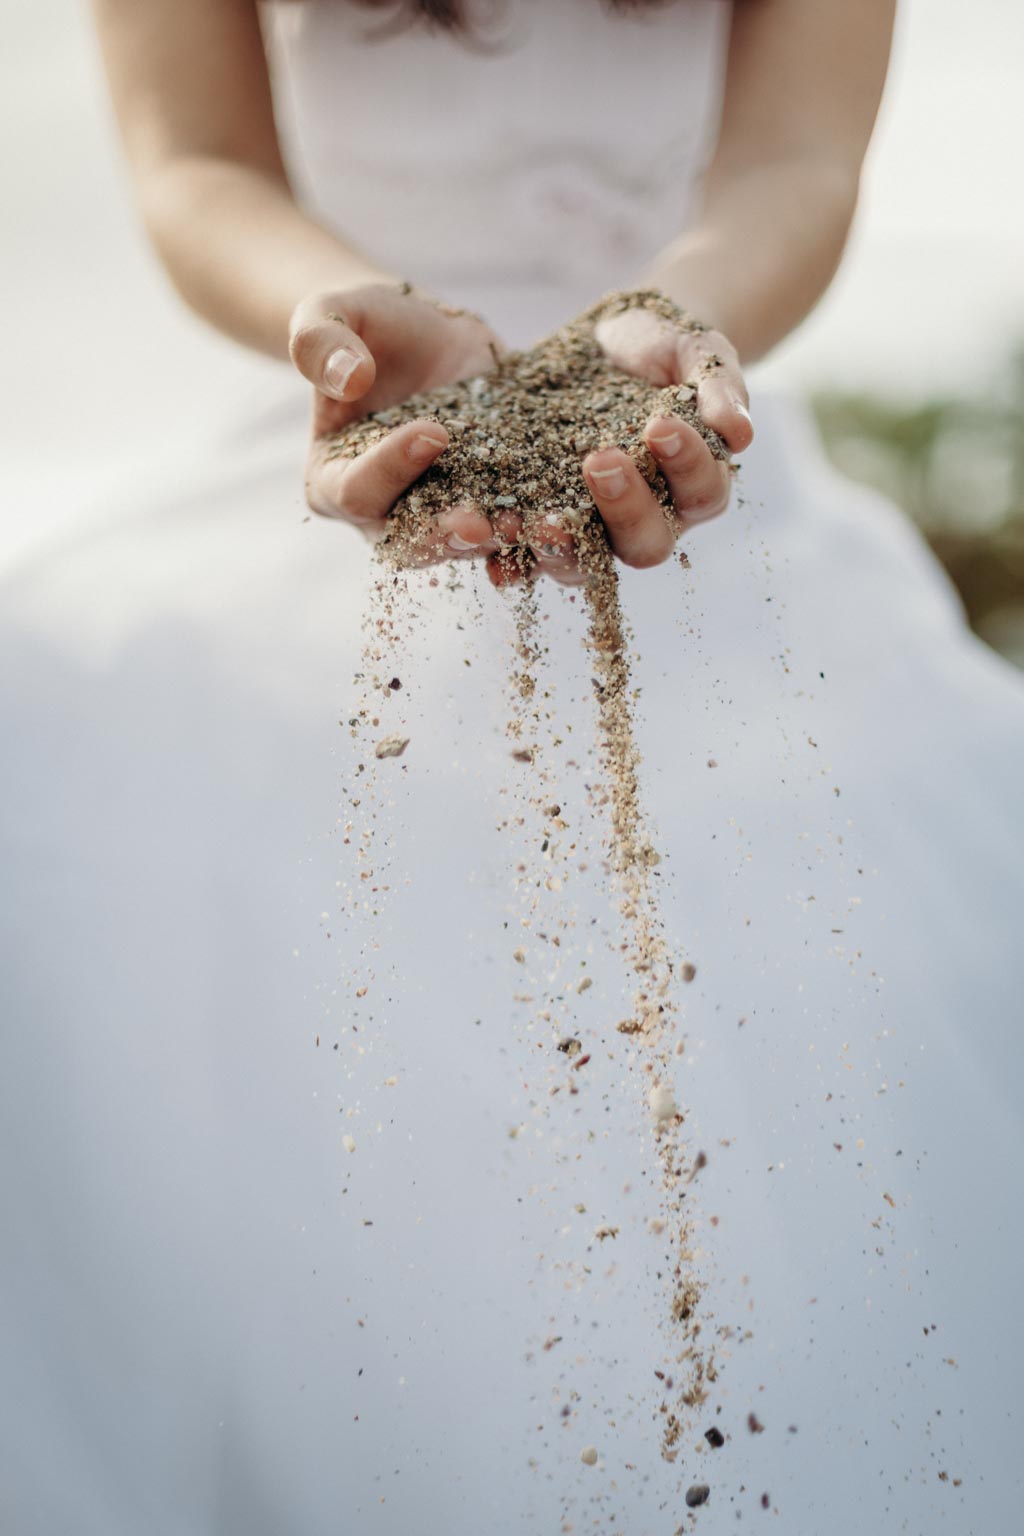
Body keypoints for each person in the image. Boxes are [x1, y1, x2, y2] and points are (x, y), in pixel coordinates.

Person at [1, 1, 1021, 1531]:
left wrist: (677, 327)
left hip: (693, 435)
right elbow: (192, 160)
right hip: (371, 418)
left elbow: (800, 159)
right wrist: (331, 321)